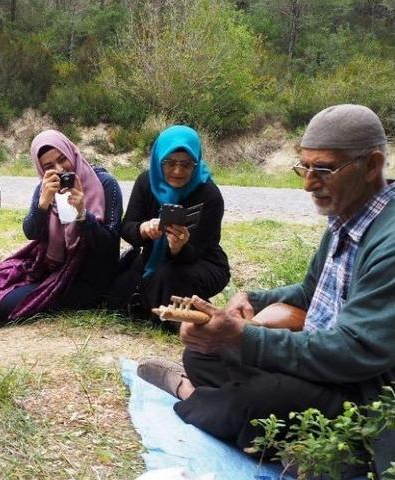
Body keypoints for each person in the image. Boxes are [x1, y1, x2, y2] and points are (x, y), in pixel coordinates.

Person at [136, 105, 395, 473]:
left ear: (371, 165)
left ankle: (191, 394)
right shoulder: (347, 215)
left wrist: (242, 339)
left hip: (359, 387)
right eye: (303, 167)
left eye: (323, 169)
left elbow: (354, 351)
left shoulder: (390, 242)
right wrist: (253, 299)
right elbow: (310, 291)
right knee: (201, 355)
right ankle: (262, 417)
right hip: (318, 360)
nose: (307, 183)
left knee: (251, 402)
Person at [0, 130, 123, 325]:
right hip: (51, 268)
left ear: (71, 152)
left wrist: (82, 214)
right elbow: (31, 232)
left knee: (3, 308)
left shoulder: (105, 184)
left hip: (89, 275)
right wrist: (43, 204)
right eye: (49, 166)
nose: (60, 169)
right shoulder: (45, 187)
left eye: (63, 159)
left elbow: (109, 245)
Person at [108, 125, 229, 318]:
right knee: (119, 298)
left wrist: (178, 247)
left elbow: (200, 249)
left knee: (169, 277)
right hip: (151, 258)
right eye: (170, 163)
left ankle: (187, 304)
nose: (178, 171)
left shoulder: (209, 194)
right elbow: (127, 226)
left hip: (201, 261)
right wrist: (143, 229)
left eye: (187, 164)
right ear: (158, 160)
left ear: (196, 162)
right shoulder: (146, 182)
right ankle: (178, 301)